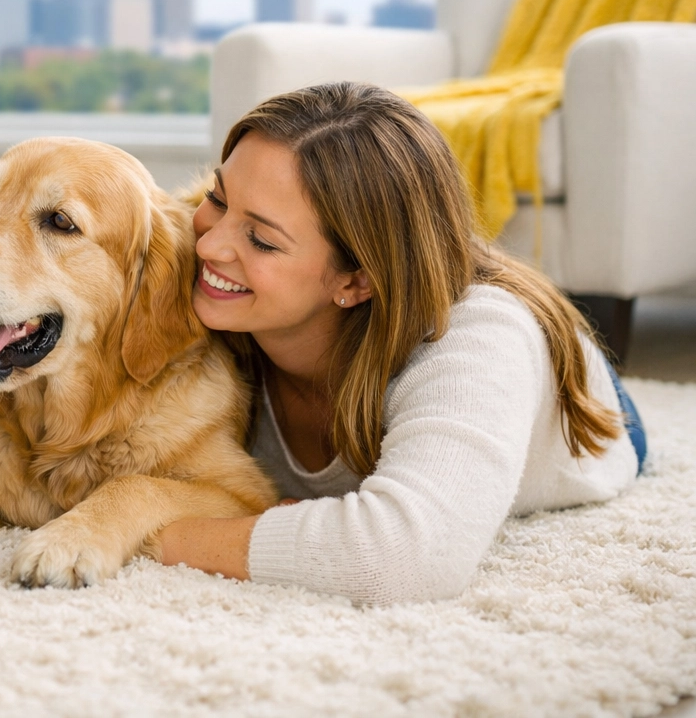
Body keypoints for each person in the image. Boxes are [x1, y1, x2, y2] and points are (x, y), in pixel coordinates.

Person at [153, 82, 642, 606]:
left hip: (583, 415)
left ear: (355, 280)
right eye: (218, 198)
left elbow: (405, 560)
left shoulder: (474, 339)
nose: (207, 243)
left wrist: (155, 534)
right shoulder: (198, 260)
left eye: (263, 240)